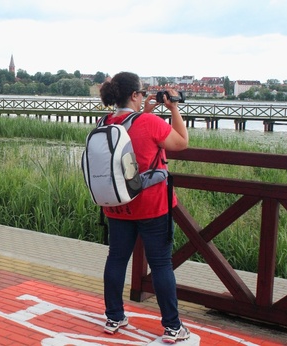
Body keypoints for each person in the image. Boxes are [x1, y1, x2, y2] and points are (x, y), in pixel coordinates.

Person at [99, 72, 190, 343]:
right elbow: (181, 142)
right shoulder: (149, 122)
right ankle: (173, 327)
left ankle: (114, 317)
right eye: (142, 92)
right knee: (161, 264)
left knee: (116, 259)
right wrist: (173, 108)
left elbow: (128, 136)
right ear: (135, 94)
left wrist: (144, 111)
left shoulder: (104, 121)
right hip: (152, 206)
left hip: (116, 205)